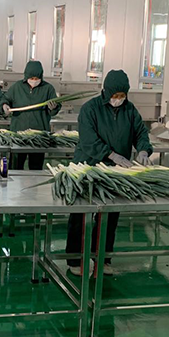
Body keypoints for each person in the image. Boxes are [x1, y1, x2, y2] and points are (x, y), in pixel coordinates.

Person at [65, 69, 153, 276]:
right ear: (106, 91)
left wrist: (143, 149)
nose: (118, 99)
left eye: (122, 95)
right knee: (80, 215)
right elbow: (88, 140)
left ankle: (103, 259)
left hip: (114, 173)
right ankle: (75, 259)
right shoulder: (90, 109)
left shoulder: (130, 110)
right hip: (88, 168)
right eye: (115, 95)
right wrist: (111, 155)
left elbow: (141, 132)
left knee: (109, 216)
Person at [2, 60, 61, 170]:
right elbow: (5, 99)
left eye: (36, 78)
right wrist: (4, 105)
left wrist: (54, 108)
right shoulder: (17, 87)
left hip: (39, 134)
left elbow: (55, 110)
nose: (34, 81)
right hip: (19, 133)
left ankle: (34, 181)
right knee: (15, 166)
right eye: (32, 78)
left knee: (36, 167)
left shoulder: (48, 89)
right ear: (26, 76)